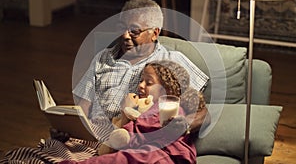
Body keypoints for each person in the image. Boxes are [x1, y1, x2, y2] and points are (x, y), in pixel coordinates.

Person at [72, 0, 209, 143]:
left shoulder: (171, 61)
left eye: (134, 31)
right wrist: (69, 128)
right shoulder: (103, 58)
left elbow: (202, 112)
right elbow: (83, 108)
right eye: (121, 27)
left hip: (134, 140)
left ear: (154, 33)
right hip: (93, 137)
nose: (125, 35)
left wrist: (183, 126)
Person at [61, 60, 209, 164]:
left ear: (168, 89)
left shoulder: (163, 108)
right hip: (159, 154)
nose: (141, 86)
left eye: (149, 82)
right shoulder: (147, 108)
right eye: (141, 80)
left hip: (160, 155)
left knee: (119, 159)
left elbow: (136, 133)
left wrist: (126, 125)